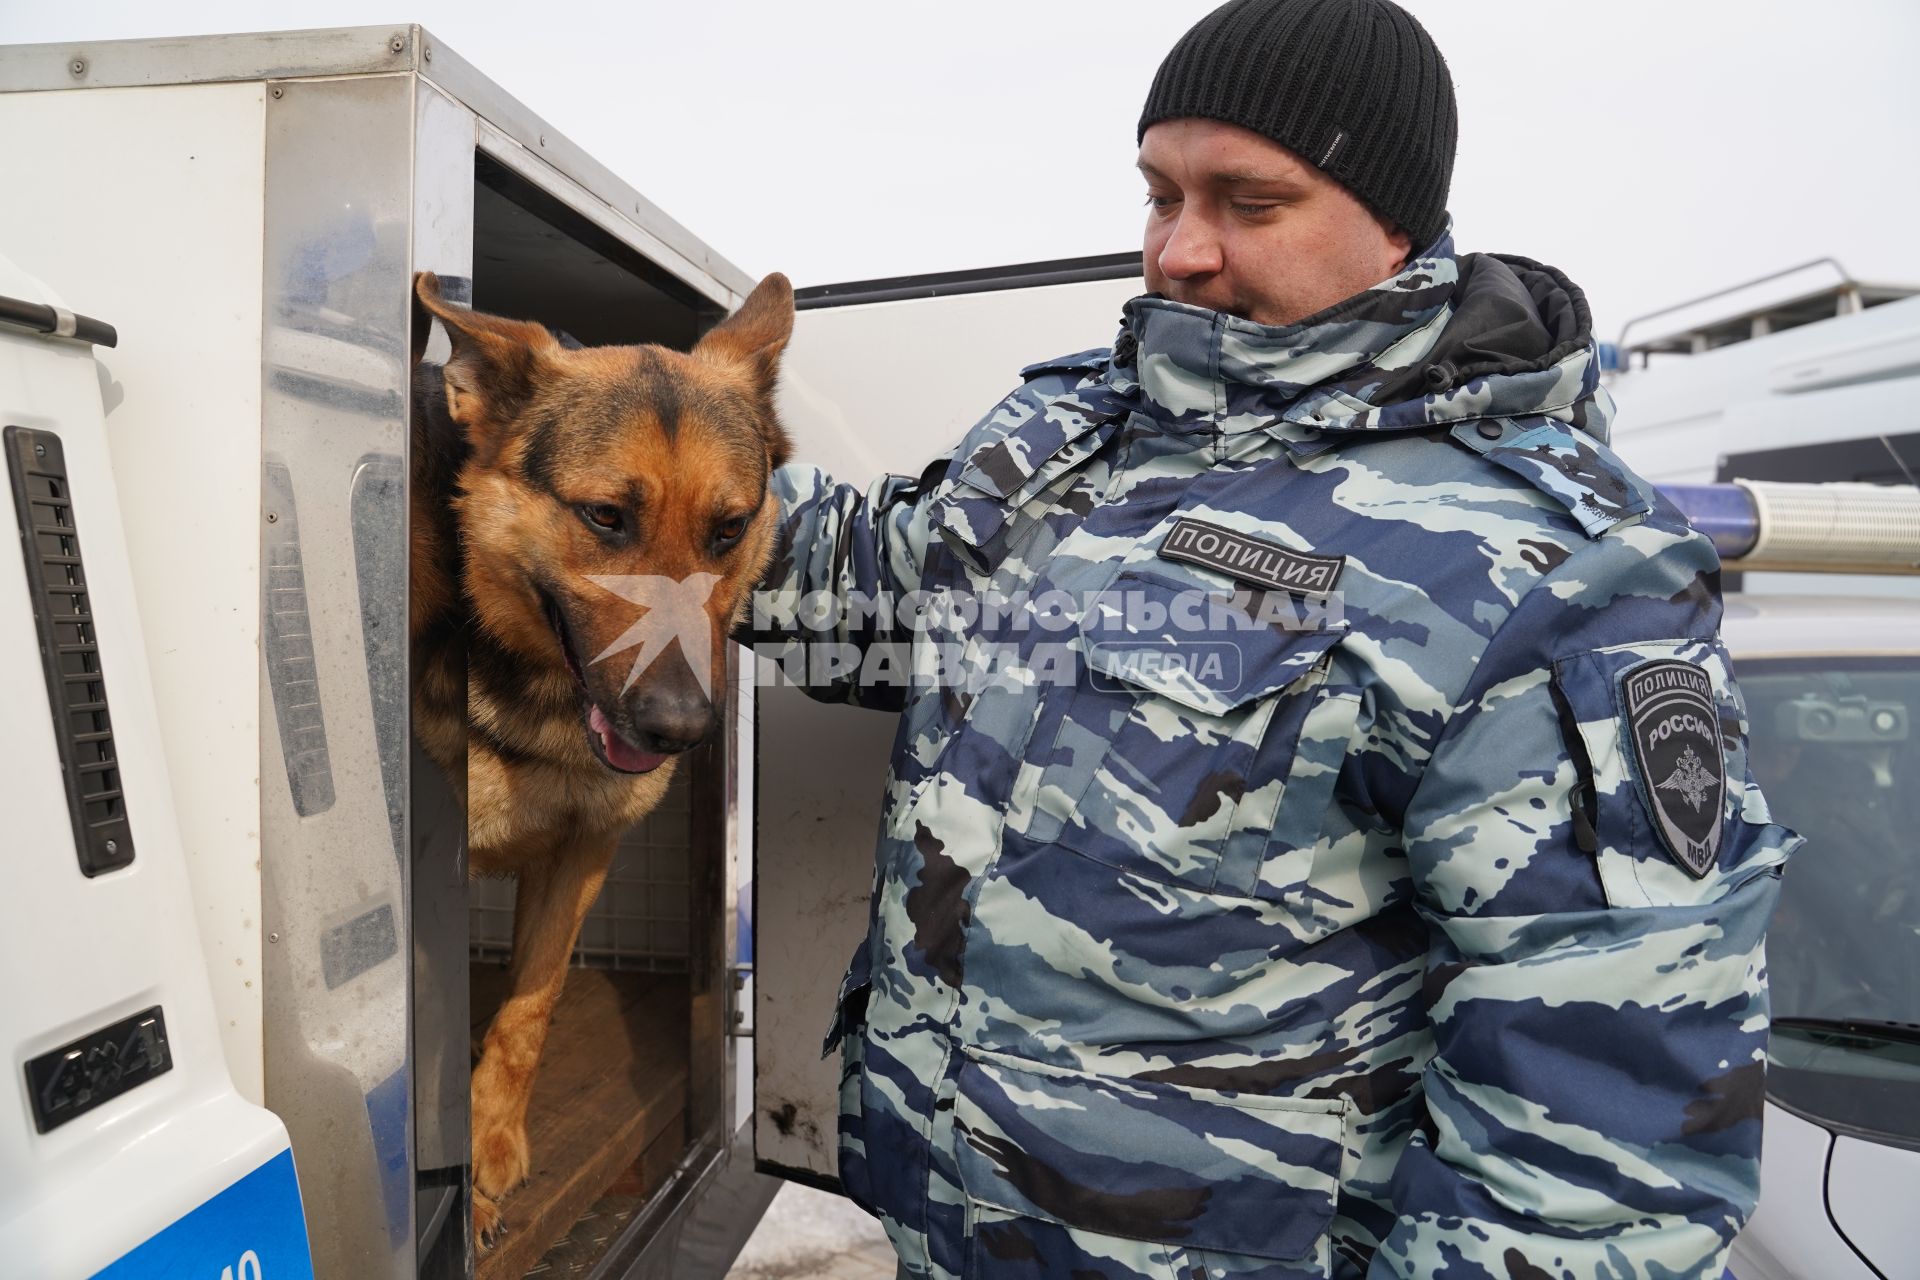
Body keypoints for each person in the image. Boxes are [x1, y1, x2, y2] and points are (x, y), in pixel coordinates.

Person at [745, 1, 1801, 1276]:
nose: (1180, 251)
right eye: (1160, 193)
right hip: (939, 1234)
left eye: (1250, 203)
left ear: (1397, 219)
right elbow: (864, 598)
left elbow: (1603, 1130)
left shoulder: (1555, 567)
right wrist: (607, 479)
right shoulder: (1070, 435)